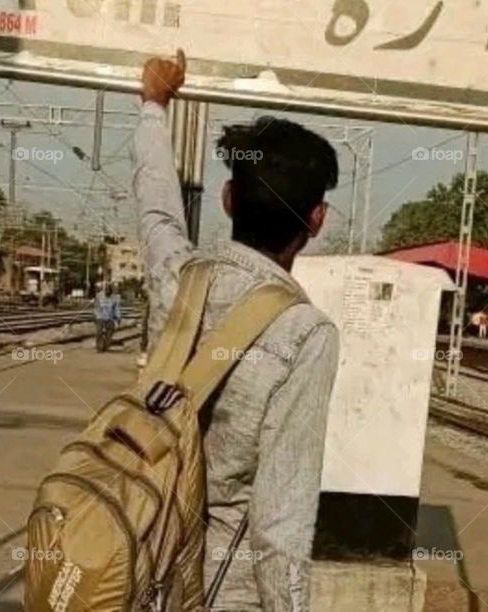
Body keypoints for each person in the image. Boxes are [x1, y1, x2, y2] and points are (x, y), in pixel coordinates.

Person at [134, 49, 339, 612]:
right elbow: (280, 521)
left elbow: (157, 210)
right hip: (225, 587)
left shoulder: (178, 276)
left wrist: (154, 104)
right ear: (316, 220)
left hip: (140, 560)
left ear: (227, 200)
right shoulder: (306, 334)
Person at [93, 287, 120, 352]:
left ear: (111, 292)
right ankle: (99, 347)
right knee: (99, 332)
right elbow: (96, 306)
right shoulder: (99, 296)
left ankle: (105, 346)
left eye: (109, 293)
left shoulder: (114, 298)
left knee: (110, 332)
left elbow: (116, 308)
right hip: (100, 316)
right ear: (105, 291)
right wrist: (95, 315)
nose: (108, 294)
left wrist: (118, 316)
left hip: (110, 317)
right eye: (107, 292)